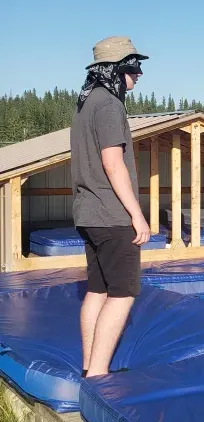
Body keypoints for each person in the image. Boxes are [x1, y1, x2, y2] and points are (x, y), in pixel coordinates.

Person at [70, 36, 151, 378]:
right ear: (116, 69)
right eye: (134, 67)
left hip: (88, 214)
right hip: (112, 216)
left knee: (97, 290)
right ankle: (99, 375)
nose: (139, 74)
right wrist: (137, 215)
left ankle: (90, 366)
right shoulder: (108, 106)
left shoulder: (86, 103)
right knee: (122, 295)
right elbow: (112, 164)